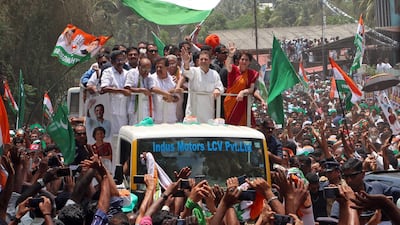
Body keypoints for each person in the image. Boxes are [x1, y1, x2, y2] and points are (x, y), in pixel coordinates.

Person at [179, 48, 224, 123]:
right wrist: (186, 62)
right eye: (201, 59)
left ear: (210, 61)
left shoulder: (214, 74)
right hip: (193, 111)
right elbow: (186, 72)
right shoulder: (194, 71)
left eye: (206, 59)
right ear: (198, 61)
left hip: (208, 111)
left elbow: (220, 87)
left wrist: (217, 89)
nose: (203, 61)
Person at [224, 42, 258, 126]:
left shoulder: (252, 74)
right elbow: (227, 64)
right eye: (242, 59)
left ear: (249, 62)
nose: (244, 61)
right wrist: (231, 54)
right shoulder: (233, 69)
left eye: (246, 60)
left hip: (243, 102)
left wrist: (242, 92)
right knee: (231, 126)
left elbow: (251, 89)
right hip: (231, 102)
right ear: (239, 60)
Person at [100, 50, 131, 136]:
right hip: (113, 110)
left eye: (122, 60)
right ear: (112, 62)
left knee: (126, 134)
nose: (120, 62)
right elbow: (104, 88)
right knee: (115, 135)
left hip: (126, 108)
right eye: (118, 60)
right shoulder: (108, 72)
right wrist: (121, 91)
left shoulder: (127, 73)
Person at [125, 57, 154, 125]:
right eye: (144, 68)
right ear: (138, 67)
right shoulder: (132, 73)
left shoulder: (149, 76)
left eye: (148, 69)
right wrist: (140, 90)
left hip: (145, 106)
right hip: (134, 106)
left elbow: (151, 88)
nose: (146, 71)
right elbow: (127, 87)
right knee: (134, 126)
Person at [149, 57, 178, 124]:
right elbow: (153, 88)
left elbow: (177, 97)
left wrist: (172, 99)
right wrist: (167, 94)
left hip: (171, 118)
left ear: (167, 68)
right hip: (157, 118)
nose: (158, 69)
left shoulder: (173, 80)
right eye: (157, 67)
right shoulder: (151, 78)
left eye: (161, 67)